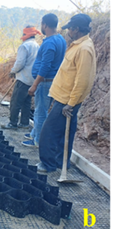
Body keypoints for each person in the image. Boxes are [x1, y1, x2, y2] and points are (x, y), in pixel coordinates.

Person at [37, 14, 97, 174]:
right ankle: (59, 162)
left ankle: (47, 164)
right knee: (65, 133)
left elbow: (83, 80)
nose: (68, 31)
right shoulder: (78, 45)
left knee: (48, 132)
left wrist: (71, 103)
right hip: (64, 97)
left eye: (70, 28)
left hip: (66, 100)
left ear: (76, 29)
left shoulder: (84, 49)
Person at [23, 13, 67, 148]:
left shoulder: (50, 43)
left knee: (40, 112)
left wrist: (35, 85)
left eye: (42, 24)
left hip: (45, 82)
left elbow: (45, 66)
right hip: (52, 80)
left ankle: (37, 140)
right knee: (41, 110)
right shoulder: (60, 39)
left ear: (45, 25)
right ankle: (34, 133)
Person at [6, 25, 41, 130]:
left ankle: (13, 123)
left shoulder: (24, 46)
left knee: (15, 102)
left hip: (23, 79)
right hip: (33, 80)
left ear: (26, 35)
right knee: (26, 102)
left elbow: (20, 63)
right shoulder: (37, 46)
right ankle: (24, 123)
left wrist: (13, 71)